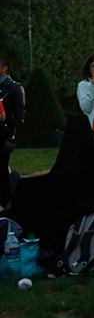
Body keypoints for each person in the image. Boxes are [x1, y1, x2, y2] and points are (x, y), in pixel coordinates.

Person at [0, 55, 26, 212]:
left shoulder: (14, 88)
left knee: (2, 169)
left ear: (4, 67)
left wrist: (12, 137)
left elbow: (18, 115)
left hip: (3, 135)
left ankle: (4, 201)